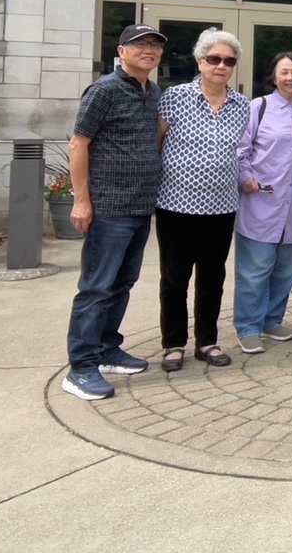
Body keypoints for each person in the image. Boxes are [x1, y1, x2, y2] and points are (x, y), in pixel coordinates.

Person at [62, 23, 167, 401]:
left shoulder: (152, 91)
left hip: (140, 207)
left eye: (155, 45)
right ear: (122, 51)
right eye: (140, 44)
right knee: (96, 288)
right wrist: (81, 199)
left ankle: (107, 349)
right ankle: (81, 367)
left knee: (122, 284)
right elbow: (78, 144)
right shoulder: (104, 90)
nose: (149, 50)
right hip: (108, 208)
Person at [154, 28, 251, 372]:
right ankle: (174, 344)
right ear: (200, 61)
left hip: (221, 208)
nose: (221, 65)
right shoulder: (174, 97)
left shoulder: (242, 105)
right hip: (175, 206)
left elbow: (241, 152)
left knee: (212, 277)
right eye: (214, 59)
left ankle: (206, 341)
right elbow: (156, 142)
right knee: (174, 278)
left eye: (228, 60)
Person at [233, 52, 292, 354]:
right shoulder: (259, 107)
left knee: (286, 268)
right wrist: (245, 177)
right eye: (284, 72)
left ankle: (272, 320)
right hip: (261, 203)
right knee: (255, 270)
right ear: (273, 76)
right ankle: (248, 326)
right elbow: (240, 151)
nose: (290, 78)